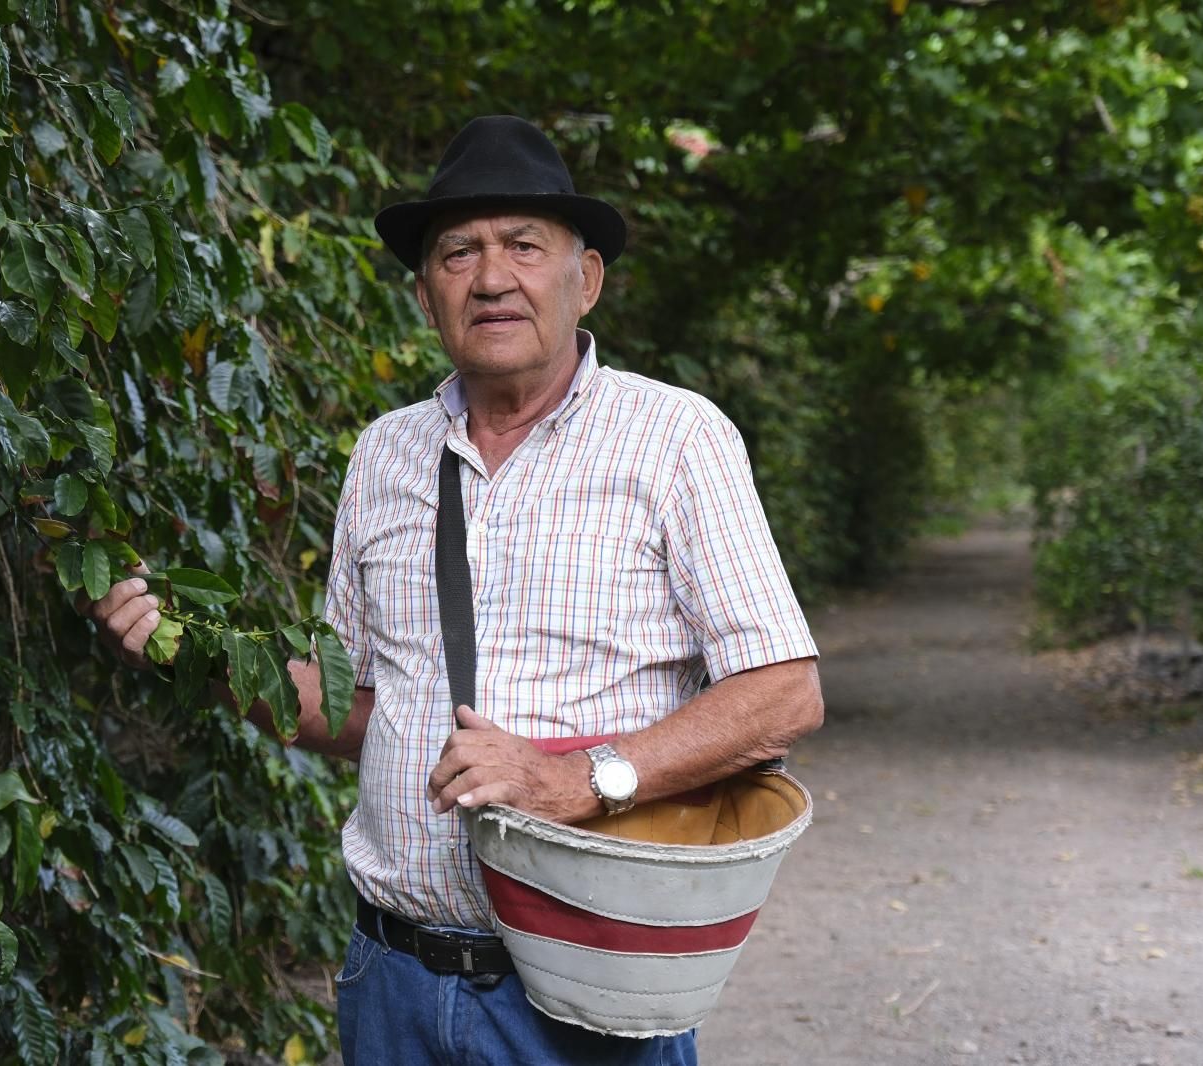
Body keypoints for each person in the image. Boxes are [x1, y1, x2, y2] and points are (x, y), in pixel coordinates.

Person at [82, 115, 824, 1065]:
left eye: (524, 245)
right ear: (427, 292)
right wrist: (186, 654)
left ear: (584, 277)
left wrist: (580, 779)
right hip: (393, 982)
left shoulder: (675, 440)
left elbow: (782, 692)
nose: (492, 276)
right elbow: (359, 709)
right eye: (458, 252)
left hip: (587, 987)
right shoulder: (385, 454)